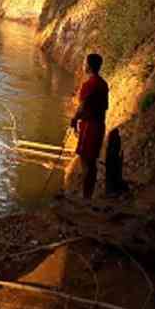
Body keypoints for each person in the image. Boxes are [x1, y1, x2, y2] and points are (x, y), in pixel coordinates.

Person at [70, 53, 109, 200]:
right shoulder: (103, 84)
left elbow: (83, 106)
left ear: (89, 66)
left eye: (84, 63)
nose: (83, 65)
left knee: (86, 161)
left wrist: (74, 119)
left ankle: (86, 198)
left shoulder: (89, 85)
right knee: (91, 162)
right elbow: (104, 107)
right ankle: (88, 196)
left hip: (89, 126)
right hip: (99, 125)